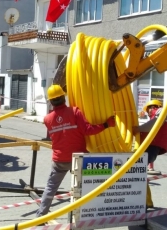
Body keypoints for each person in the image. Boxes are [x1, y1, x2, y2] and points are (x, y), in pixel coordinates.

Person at [36, 85, 113, 217]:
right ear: (63, 97)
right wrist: (106, 124)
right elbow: (88, 130)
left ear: (51, 101)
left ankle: (40, 216)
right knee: (85, 187)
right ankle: (84, 216)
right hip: (79, 158)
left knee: (50, 188)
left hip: (59, 159)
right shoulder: (75, 111)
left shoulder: (47, 119)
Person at [136, 100, 167, 172]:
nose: (148, 114)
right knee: (140, 165)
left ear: (152, 107)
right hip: (151, 144)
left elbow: (155, 123)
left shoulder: (162, 111)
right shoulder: (156, 116)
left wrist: (138, 129)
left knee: (140, 165)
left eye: (148, 111)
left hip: (153, 145)